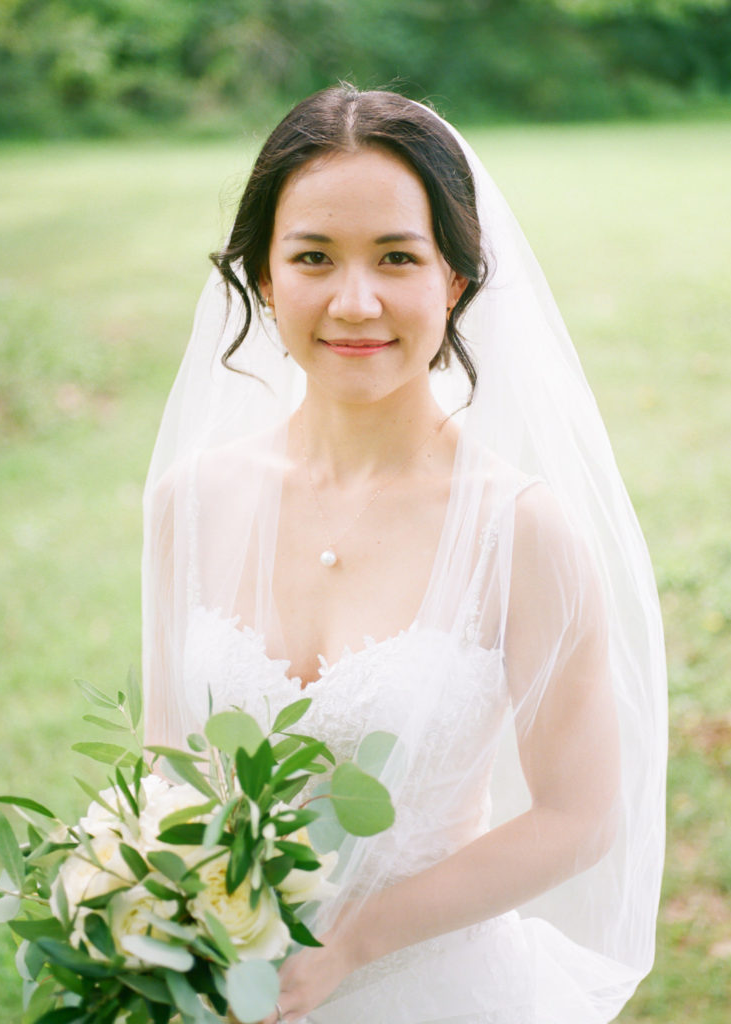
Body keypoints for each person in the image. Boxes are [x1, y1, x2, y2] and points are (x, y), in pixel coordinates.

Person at [142, 85, 667, 1023]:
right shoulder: (190, 502)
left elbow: (579, 817)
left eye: (397, 258)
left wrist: (353, 941)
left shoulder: (521, 529)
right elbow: (170, 761)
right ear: (266, 278)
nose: (355, 301)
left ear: (454, 280)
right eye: (313, 257)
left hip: (436, 985)